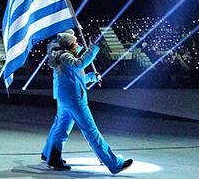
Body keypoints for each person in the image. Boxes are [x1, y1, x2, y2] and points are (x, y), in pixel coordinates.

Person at [41, 30, 132, 174]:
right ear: (70, 45)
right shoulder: (65, 56)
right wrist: (93, 47)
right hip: (74, 100)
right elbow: (79, 64)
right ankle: (114, 164)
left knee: (61, 129)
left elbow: (75, 77)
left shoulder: (62, 57)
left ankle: (52, 157)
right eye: (75, 42)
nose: (78, 44)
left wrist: (92, 77)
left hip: (66, 99)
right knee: (91, 132)